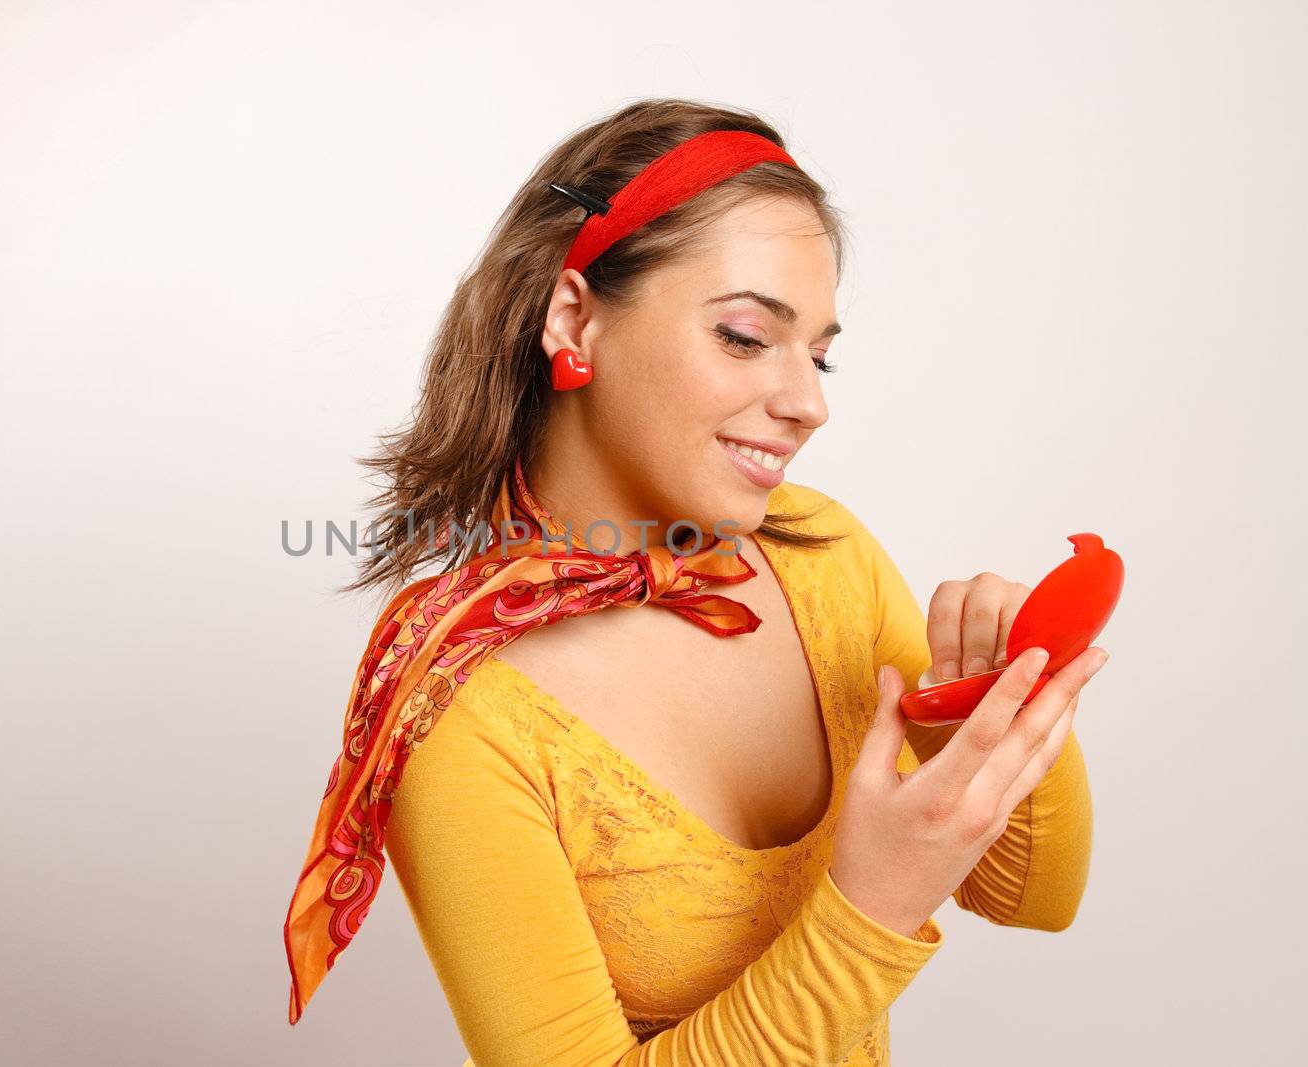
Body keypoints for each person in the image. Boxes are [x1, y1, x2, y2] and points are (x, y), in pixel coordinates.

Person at [283, 98, 1104, 1066]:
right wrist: (873, 902)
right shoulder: (461, 697)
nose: (808, 402)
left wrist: (998, 715)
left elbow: (1032, 899)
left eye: (821, 352)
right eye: (747, 337)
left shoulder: (821, 548)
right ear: (573, 317)